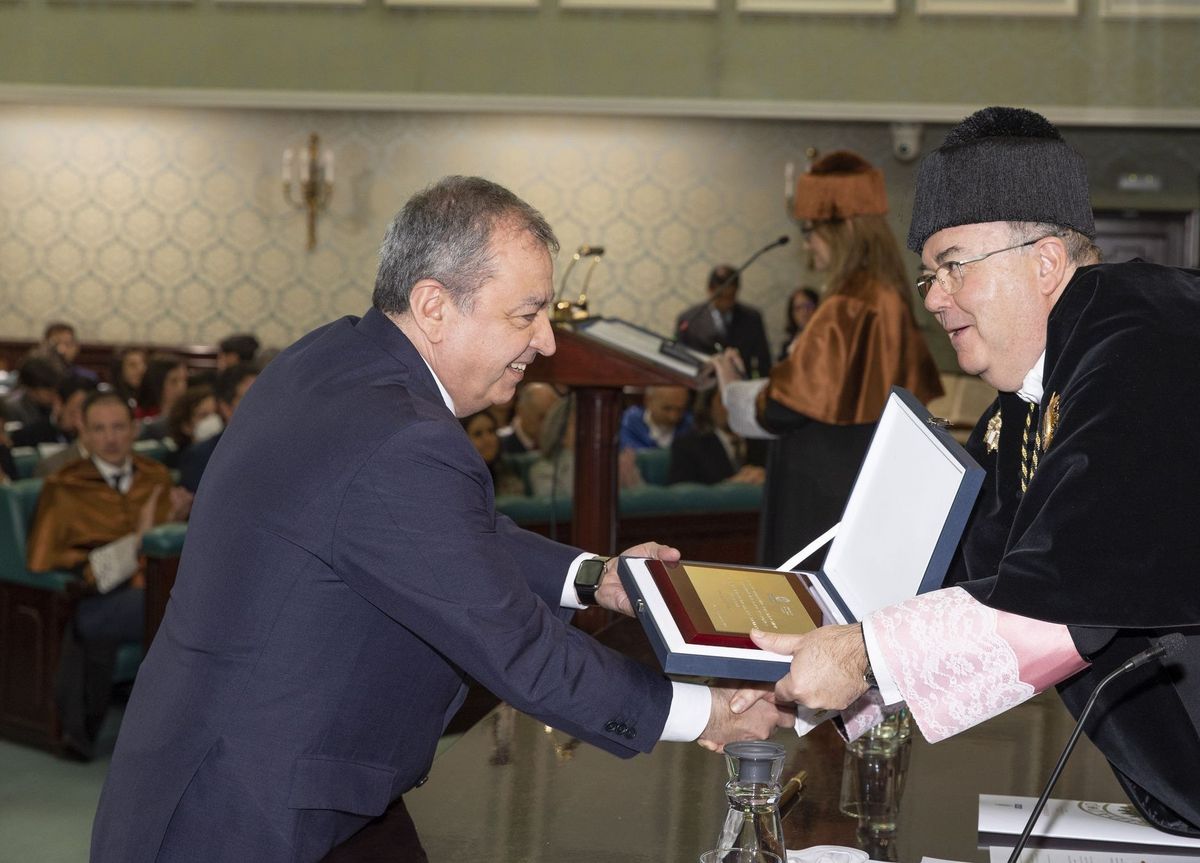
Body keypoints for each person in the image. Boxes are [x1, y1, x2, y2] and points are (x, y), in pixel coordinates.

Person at [738, 108, 1200, 863]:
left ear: (1044, 262)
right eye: (931, 274)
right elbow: (964, 563)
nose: (933, 297)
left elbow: (1064, 597)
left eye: (955, 265)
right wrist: (783, 683)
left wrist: (862, 655)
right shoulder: (1039, 388)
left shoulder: (1152, 349)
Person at [91, 175, 788, 863]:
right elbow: (522, 652)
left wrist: (593, 577)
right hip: (242, 810)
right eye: (526, 315)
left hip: (275, 772)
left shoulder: (333, 355)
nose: (547, 342)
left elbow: (443, 535)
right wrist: (708, 713)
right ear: (433, 307)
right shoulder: (403, 438)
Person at [714, 150, 943, 567]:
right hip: (858, 481)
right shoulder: (885, 294)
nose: (806, 246)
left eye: (811, 231)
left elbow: (784, 408)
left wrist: (732, 388)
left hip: (821, 489)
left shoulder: (847, 305)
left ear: (844, 229)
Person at [27, 391, 180, 759]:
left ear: (134, 430)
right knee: (175, 607)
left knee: (181, 599)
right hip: (91, 601)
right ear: (83, 432)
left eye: (118, 428)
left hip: (150, 589)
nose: (110, 438)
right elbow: (46, 561)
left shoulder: (155, 476)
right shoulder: (65, 486)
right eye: (99, 429)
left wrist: (172, 524)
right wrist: (138, 543)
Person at [675, 264, 774, 378]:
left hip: (740, 382)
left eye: (730, 296)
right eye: (720, 296)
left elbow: (763, 360)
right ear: (710, 290)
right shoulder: (689, 319)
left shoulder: (752, 318)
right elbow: (679, 359)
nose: (725, 302)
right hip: (700, 382)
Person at [177, 363, 260, 495]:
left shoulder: (283, 450)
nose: (263, 406)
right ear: (226, 407)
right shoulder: (201, 458)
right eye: (253, 398)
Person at [667, 387, 764, 486]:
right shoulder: (688, 446)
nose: (731, 407)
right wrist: (729, 486)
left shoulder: (764, 442)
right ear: (709, 406)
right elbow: (682, 491)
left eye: (738, 401)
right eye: (724, 401)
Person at [461, 408, 525, 496]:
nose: (488, 440)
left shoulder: (512, 469)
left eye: (491, 431)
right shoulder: (461, 480)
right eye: (478, 434)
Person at [618, 384, 692, 450]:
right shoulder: (629, 424)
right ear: (648, 401)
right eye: (667, 408)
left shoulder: (690, 426)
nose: (673, 417)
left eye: (680, 410)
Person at [3, 354, 63, 427]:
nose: (54, 396)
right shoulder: (12, 408)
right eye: (49, 393)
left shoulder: (52, 405)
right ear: (31, 390)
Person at [501, 380, 558, 455]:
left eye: (552, 417)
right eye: (541, 417)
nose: (547, 423)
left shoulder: (559, 444)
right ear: (521, 411)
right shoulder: (499, 445)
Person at [135, 354, 187, 434]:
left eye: (184, 380)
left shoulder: (187, 415)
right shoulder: (140, 416)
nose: (181, 387)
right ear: (157, 383)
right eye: (174, 381)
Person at [777, 286, 819, 362]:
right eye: (798, 308)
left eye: (808, 306)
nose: (804, 312)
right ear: (792, 314)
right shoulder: (787, 347)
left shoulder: (827, 339)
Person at [111, 347, 148, 413]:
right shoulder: (111, 399)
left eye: (143, 364)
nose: (140, 370)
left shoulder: (153, 401)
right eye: (132, 365)